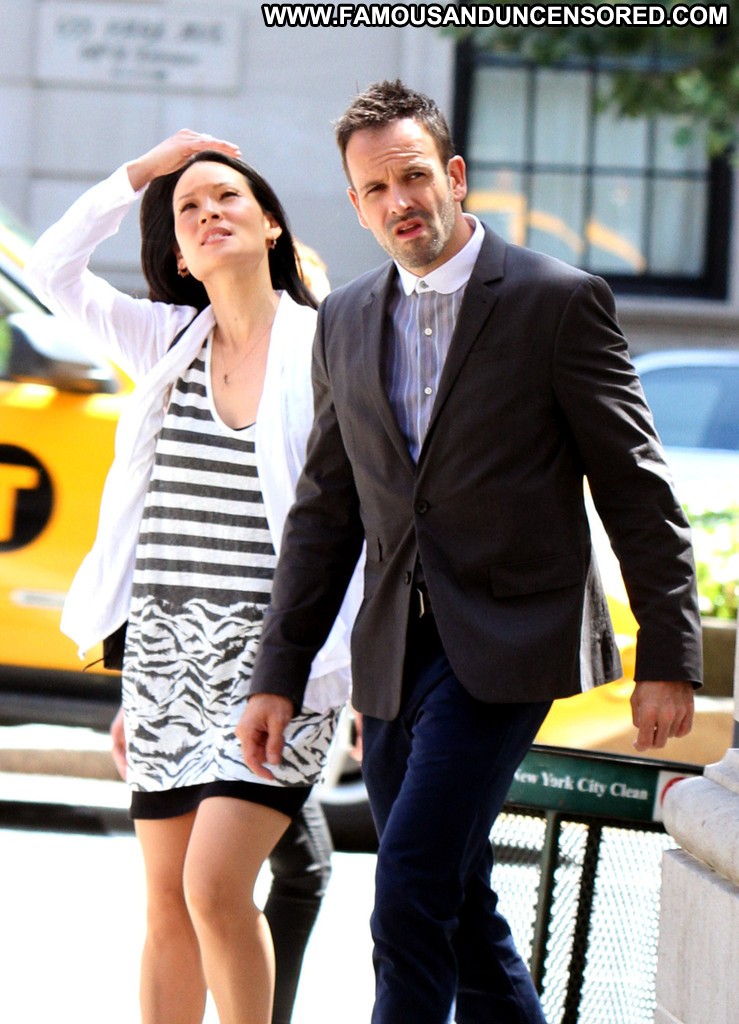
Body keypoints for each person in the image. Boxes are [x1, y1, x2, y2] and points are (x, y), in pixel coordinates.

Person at [237, 80, 703, 1024]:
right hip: (391, 658)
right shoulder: (345, 319)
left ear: (453, 176)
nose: (399, 202)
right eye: (375, 189)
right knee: (458, 901)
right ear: (357, 205)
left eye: (413, 177)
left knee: (409, 883)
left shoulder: (555, 302)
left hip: (508, 641)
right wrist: (276, 674)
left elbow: (634, 487)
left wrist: (668, 651)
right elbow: (326, 513)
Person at [25, 129, 358, 1024]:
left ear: (271, 225)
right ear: (178, 253)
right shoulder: (166, 341)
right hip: (165, 657)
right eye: (188, 208)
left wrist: (354, 667)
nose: (209, 212)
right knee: (167, 904)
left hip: (276, 661)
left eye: (228, 198)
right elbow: (53, 267)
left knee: (215, 887)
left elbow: (360, 519)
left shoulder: (327, 345)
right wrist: (142, 171)